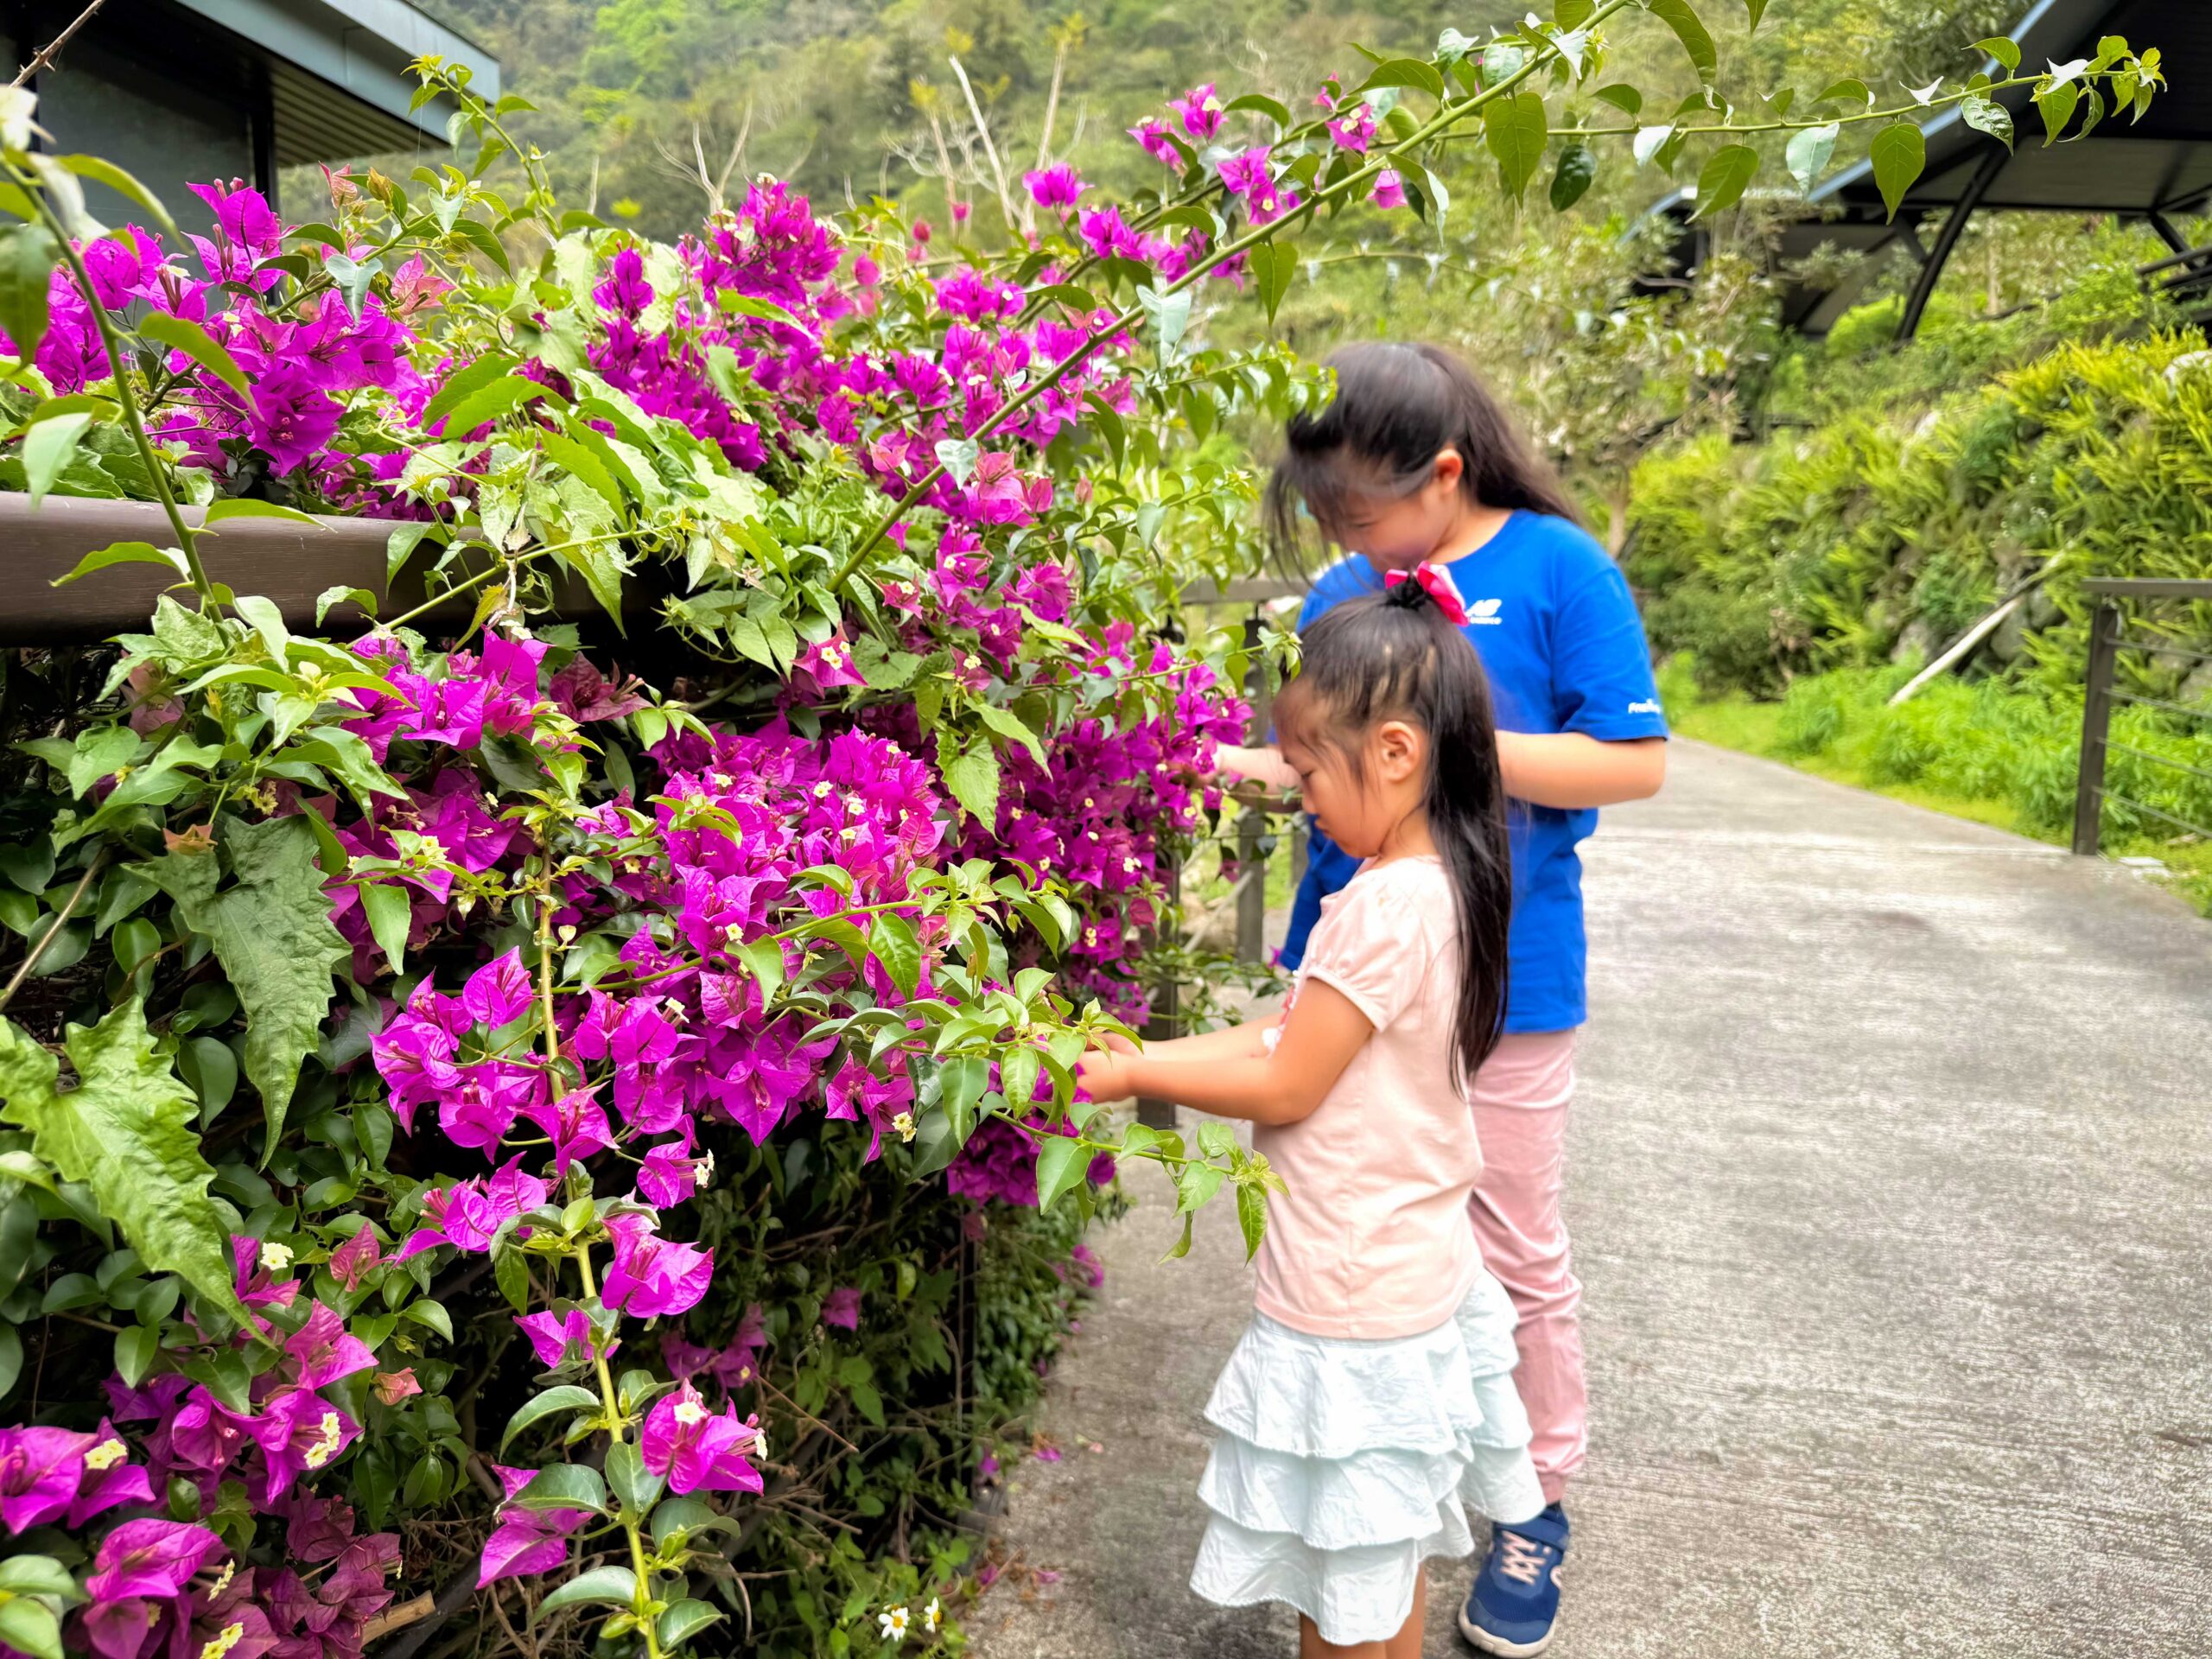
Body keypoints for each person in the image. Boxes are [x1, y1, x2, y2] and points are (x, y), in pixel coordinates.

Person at [1213, 341, 1667, 1655]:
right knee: (1351, 1222)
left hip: (1509, 981)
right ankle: (1376, 1480)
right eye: (1329, 524)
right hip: (1348, 966)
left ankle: (1533, 1501)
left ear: (1444, 475)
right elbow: (1326, 761)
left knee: (1513, 1245)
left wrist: (1458, 747)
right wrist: (1233, 762)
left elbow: (1630, 764)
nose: (1345, 543)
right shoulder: (1347, 595)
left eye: (1357, 515)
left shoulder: (1556, 569)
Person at [1077, 580, 1547, 1659]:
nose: (1299, 798)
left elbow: (1288, 1083)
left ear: (1392, 752)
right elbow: (1286, 1039)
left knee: (1340, 1588)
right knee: (1382, 1567)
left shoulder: (1386, 907)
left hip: (1349, 1298)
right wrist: (1136, 1059)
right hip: (1406, 1275)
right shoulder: (1436, 883)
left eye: (1305, 772)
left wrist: (1142, 1073)